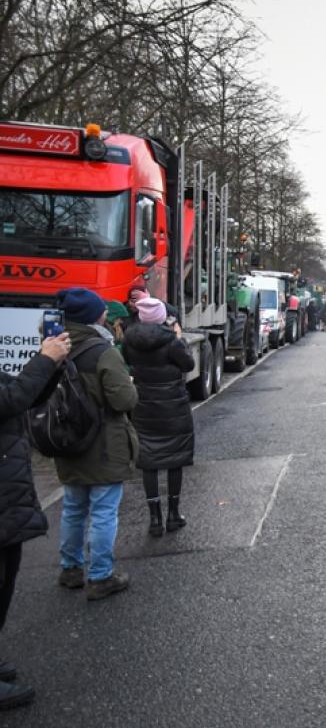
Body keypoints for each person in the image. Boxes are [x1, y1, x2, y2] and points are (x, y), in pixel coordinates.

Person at [52, 288, 138, 602]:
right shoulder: (102, 351)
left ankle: (70, 569)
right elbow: (123, 399)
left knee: (73, 508)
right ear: (93, 316)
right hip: (104, 443)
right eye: (101, 309)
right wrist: (130, 386)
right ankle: (101, 576)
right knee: (103, 511)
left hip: (67, 441)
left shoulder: (52, 347)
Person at [0, 331, 69, 709]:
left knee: (6, 581)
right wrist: (44, 360)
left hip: (7, 495)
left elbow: (23, 395)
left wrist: (53, 365)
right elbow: (11, 398)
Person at [122, 297, 195, 537]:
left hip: (144, 406)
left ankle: (155, 518)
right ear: (162, 316)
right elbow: (188, 365)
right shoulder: (171, 341)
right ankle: (174, 514)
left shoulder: (129, 341)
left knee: (149, 462)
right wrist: (180, 338)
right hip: (173, 407)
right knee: (175, 459)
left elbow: (128, 365)